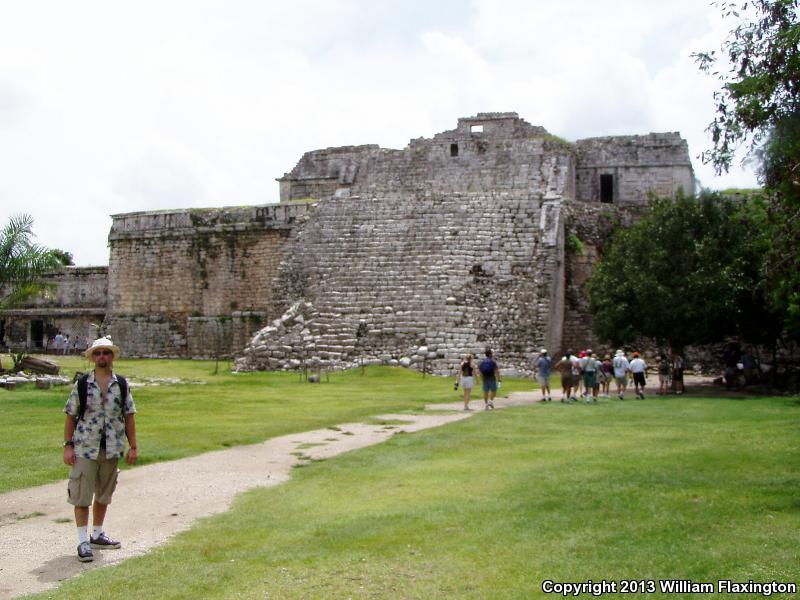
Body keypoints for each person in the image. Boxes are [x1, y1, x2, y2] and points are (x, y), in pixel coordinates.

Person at [63, 337, 137, 562]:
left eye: (105, 353)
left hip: (112, 447)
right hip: (85, 447)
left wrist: (133, 446)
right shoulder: (83, 384)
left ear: (112, 356)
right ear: (92, 358)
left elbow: (129, 416)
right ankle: (82, 540)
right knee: (82, 496)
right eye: (98, 353)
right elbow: (70, 415)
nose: (102, 357)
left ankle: (97, 534)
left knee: (104, 494)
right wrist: (68, 446)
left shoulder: (122, 384)